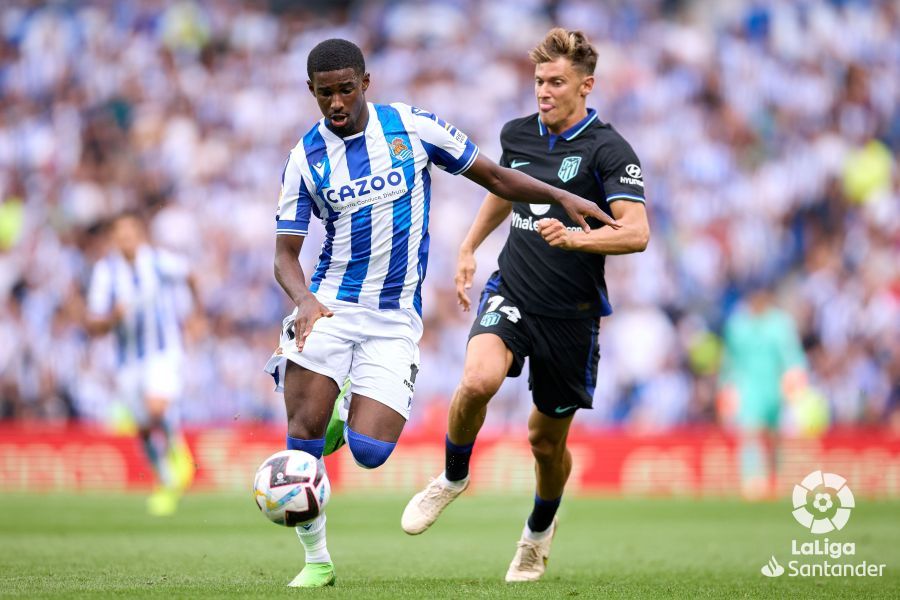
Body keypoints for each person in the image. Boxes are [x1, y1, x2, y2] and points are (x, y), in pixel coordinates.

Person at [263, 37, 619, 588]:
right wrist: (305, 300)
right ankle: (317, 560)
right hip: (330, 307)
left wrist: (560, 196)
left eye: (345, 90)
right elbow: (285, 255)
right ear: (311, 91)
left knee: (371, 452)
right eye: (324, 93)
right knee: (301, 441)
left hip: (394, 317)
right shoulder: (303, 158)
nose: (336, 103)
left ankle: (341, 417)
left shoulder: (412, 128)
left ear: (366, 83)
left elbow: (496, 178)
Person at [401, 28, 651, 582]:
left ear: (586, 86)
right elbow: (505, 188)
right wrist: (468, 247)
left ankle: (538, 533)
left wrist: (578, 239)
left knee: (544, 442)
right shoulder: (518, 133)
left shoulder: (610, 150)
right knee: (476, 381)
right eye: (539, 80)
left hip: (572, 316)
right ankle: (452, 476)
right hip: (512, 289)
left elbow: (636, 233)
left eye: (556, 81)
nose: (543, 90)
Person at [85, 212, 201, 515]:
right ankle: (165, 482)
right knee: (143, 426)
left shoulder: (158, 262)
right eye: (120, 234)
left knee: (156, 408)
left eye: (131, 232)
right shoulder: (105, 272)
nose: (126, 239)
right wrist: (113, 317)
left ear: (140, 234)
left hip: (163, 350)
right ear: (113, 238)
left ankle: (177, 452)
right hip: (126, 361)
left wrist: (195, 316)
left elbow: (190, 275)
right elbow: (92, 324)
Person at [719, 282, 809, 500]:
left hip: (776, 386)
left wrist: (796, 383)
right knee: (749, 432)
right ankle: (752, 481)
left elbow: (792, 356)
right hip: (747, 385)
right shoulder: (738, 324)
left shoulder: (781, 324)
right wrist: (726, 388)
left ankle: (775, 478)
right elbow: (729, 360)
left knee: (774, 436)